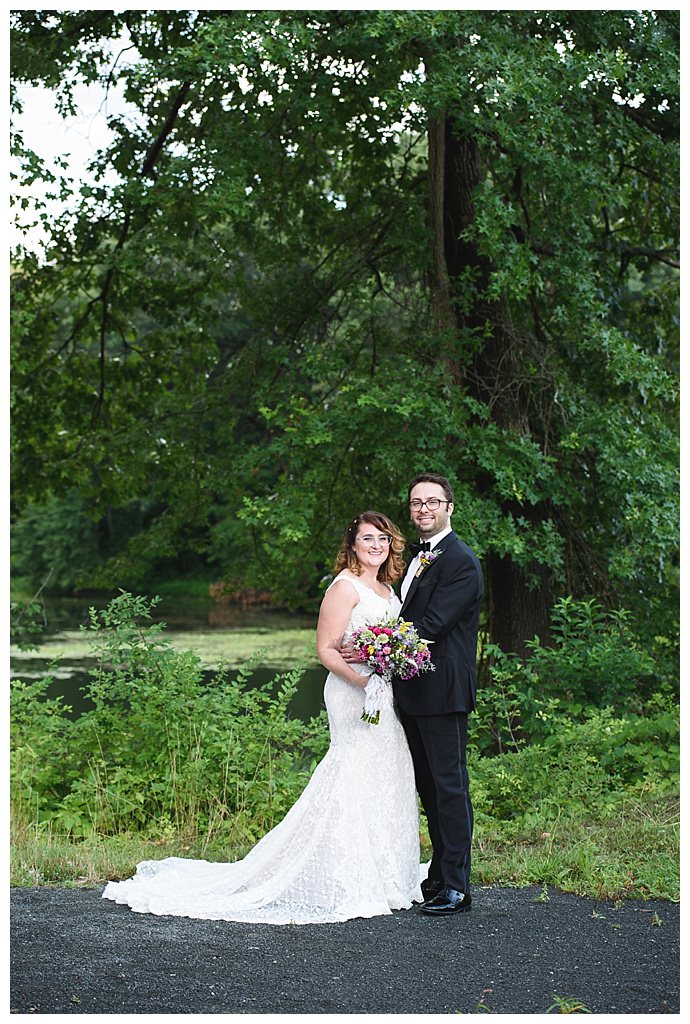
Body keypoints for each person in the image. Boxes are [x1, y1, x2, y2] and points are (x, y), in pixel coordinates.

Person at [102, 511, 422, 924]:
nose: (376, 546)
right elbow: (325, 649)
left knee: (387, 770)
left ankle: (386, 873)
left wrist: (387, 667)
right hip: (352, 692)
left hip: (383, 691)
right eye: (367, 539)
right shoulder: (343, 587)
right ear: (353, 544)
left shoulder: (386, 587)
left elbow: (389, 643)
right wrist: (364, 684)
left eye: (382, 538)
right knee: (352, 769)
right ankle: (349, 875)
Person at [394, 472, 483, 916]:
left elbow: (432, 626)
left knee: (450, 788)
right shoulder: (419, 558)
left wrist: (379, 646)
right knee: (428, 788)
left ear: (450, 507)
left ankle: (457, 886)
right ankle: (437, 875)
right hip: (412, 691)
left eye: (432, 502)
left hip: (443, 690)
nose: (423, 509)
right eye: (416, 503)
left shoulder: (460, 560)